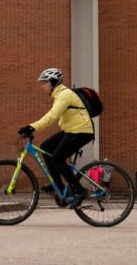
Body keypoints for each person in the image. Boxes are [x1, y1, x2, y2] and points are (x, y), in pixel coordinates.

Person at [18, 67, 94, 208]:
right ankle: (57, 185)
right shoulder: (59, 96)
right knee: (46, 147)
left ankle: (80, 191)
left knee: (58, 158)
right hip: (71, 130)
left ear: (53, 82)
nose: (42, 86)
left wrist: (32, 127)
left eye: (44, 83)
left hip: (81, 131)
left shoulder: (64, 95)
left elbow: (52, 116)